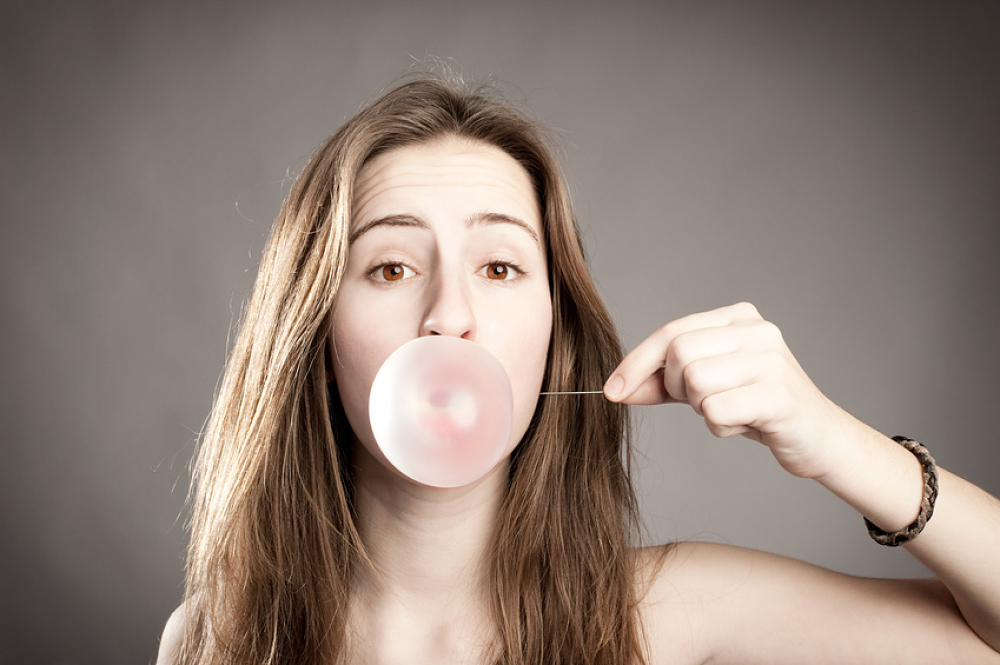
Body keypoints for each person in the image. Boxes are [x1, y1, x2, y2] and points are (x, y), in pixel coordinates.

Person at [157, 74, 1000, 664]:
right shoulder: (214, 640)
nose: (450, 314)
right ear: (313, 329)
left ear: (554, 333)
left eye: (499, 267)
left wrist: (832, 441)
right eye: (390, 267)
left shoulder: (658, 615)